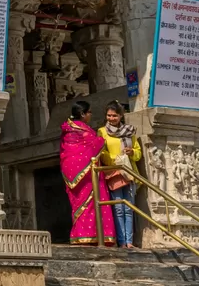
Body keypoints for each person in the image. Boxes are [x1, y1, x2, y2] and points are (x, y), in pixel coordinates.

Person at [60, 98, 116, 245]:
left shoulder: (68, 130)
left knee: (84, 205)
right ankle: (93, 235)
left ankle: (83, 235)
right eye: (89, 112)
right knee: (90, 203)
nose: (91, 115)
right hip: (87, 175)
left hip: (76, 172)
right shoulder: (82, 131)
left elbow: (67, 152)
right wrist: (101, 140)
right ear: (82, 114)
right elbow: (92, 145)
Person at [98, 102, 142, 250]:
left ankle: (129, 241)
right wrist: (114, 159)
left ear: (121, 116)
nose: (111, 118)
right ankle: (121, 241)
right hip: (113, 171)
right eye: (109, 115)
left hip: (129, 172)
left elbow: (138, 152)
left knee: (129, 208)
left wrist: (132, 153)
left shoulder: (129, 131)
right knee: (118, 208)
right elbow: (101, 152)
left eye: (114, 115)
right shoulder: (102, 132)